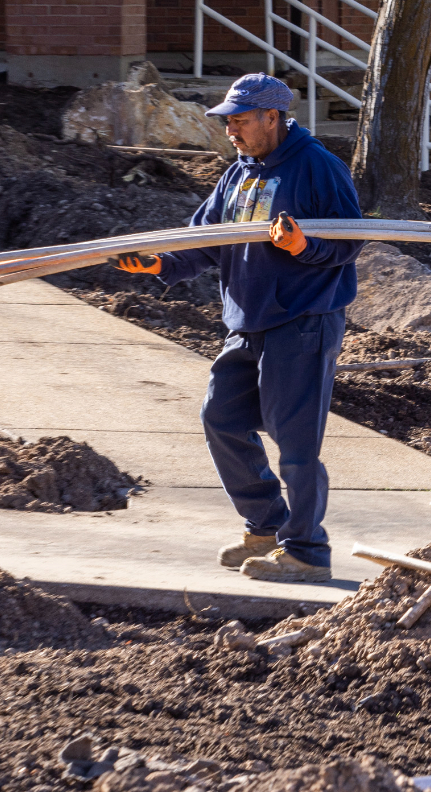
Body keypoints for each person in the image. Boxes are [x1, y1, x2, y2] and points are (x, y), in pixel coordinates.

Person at [112, 73, 364, 583]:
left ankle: (307, 551)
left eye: (241, 120)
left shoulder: (318, 167)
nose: (231, 130)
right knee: (221, 419)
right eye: (228, 121)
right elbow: (206, 241)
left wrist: (302, 246)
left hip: (302, 320)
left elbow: (350, 238)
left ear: (273, 117)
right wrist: (159, 264)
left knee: (295, 446)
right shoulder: (239, 174)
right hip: (246, 322)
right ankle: (267, 527)